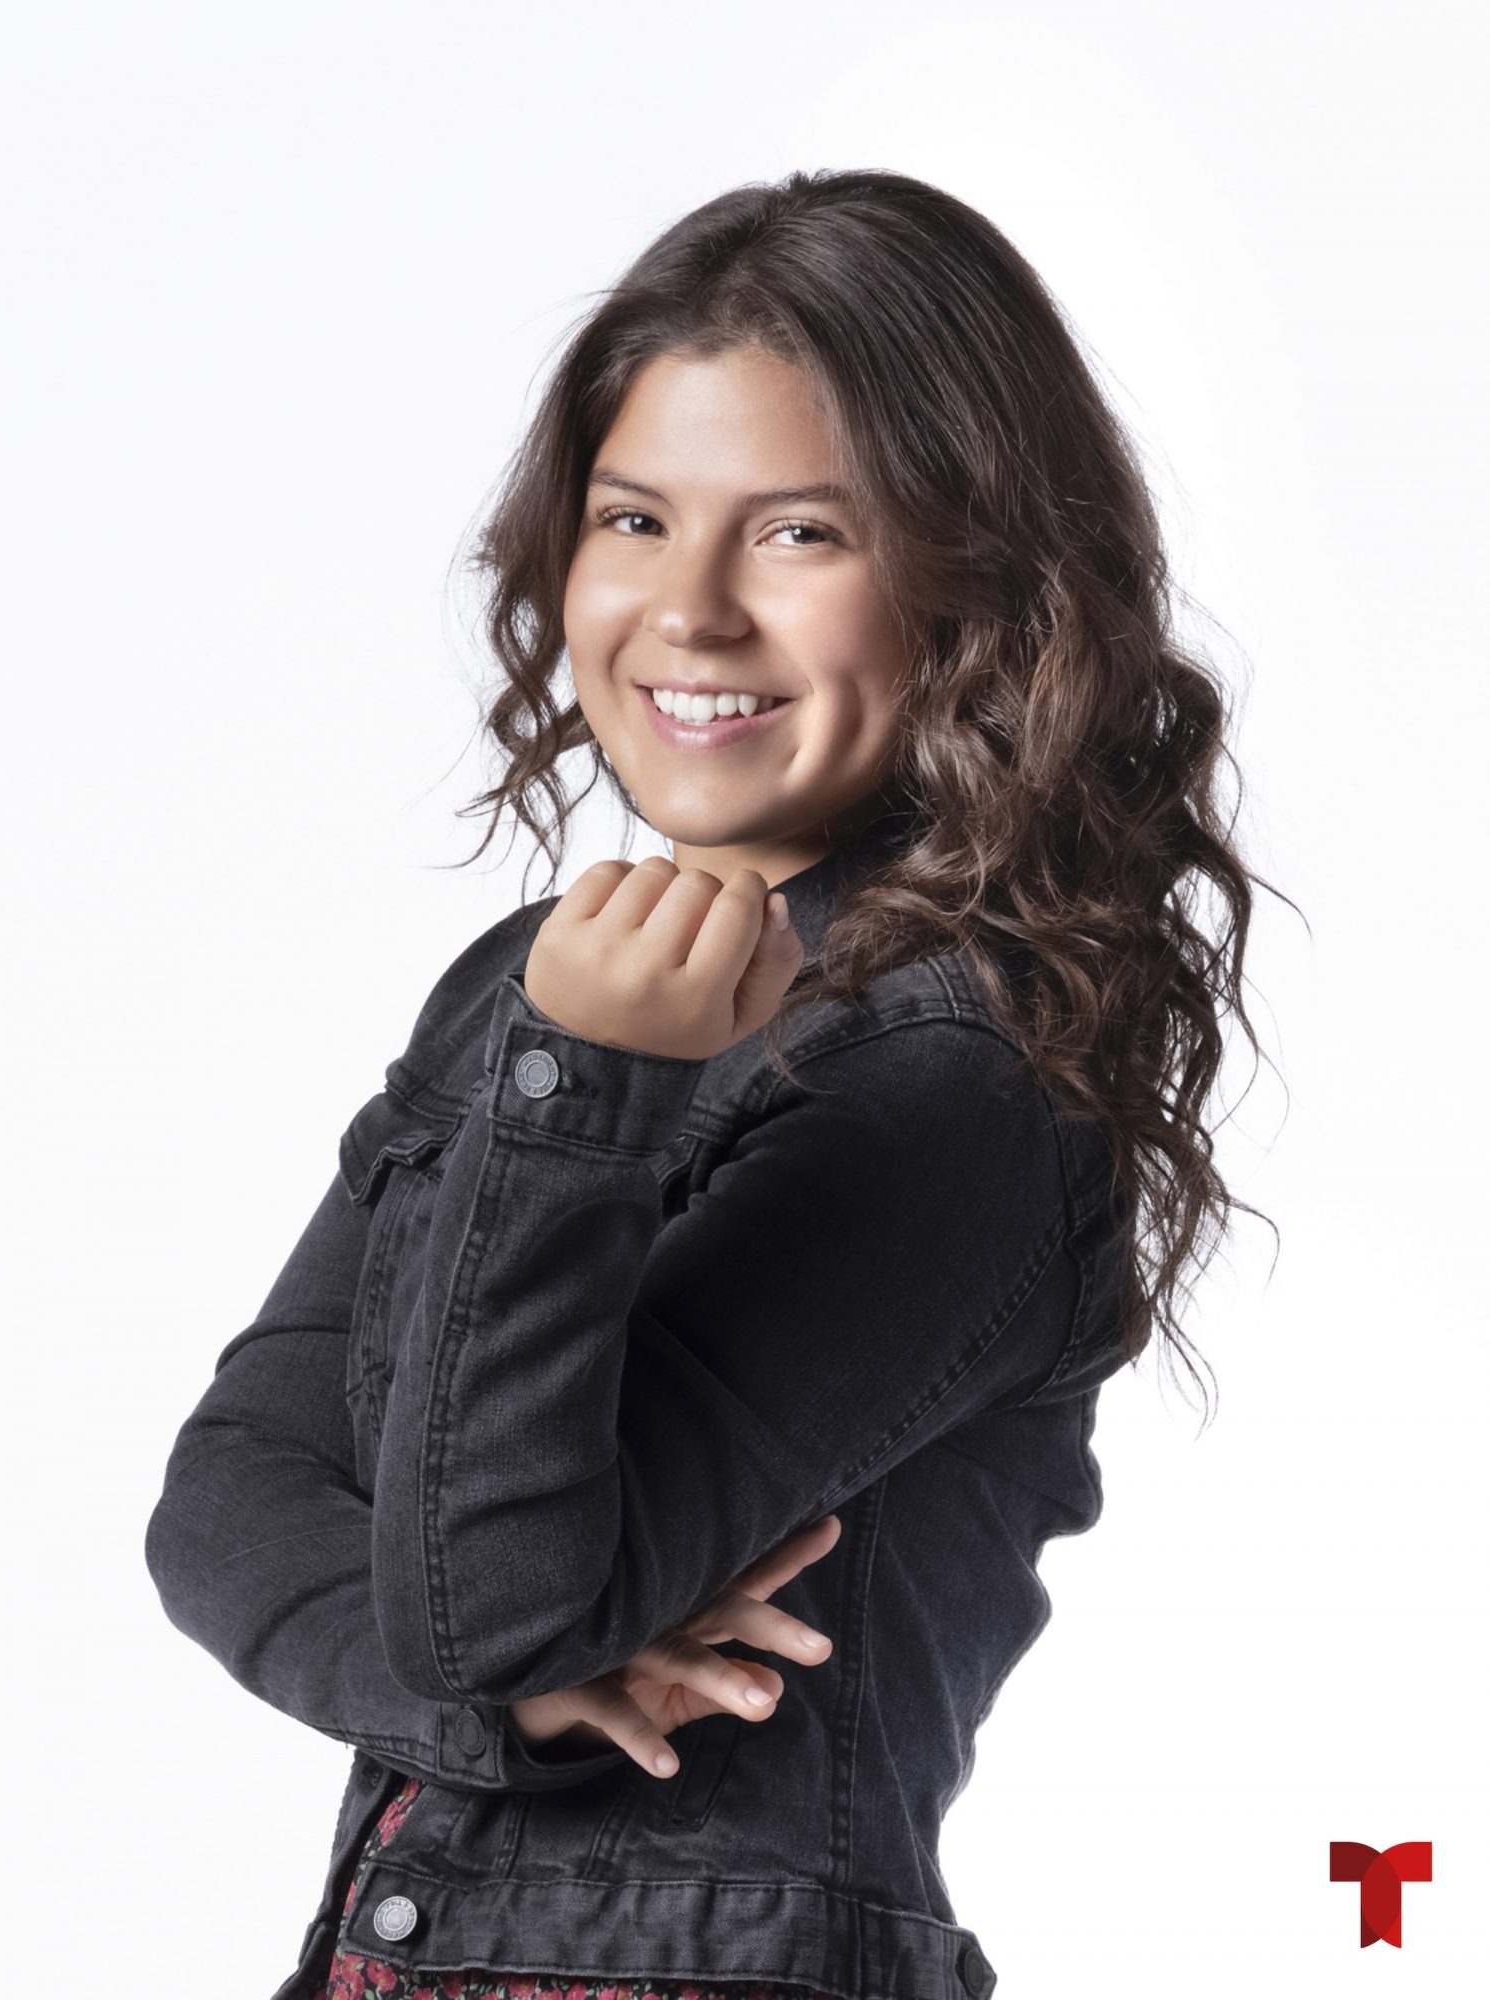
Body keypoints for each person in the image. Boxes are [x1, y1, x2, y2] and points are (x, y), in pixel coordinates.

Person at [144, 167, 1273, 2000]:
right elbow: (224, 1495)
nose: (691, 611)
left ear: (981, 586)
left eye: (802, 533)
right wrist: (505, 1706)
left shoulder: (960, 1076)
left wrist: (581, 1086)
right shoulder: (524, 990)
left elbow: (493, 1597)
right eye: (634, 519)